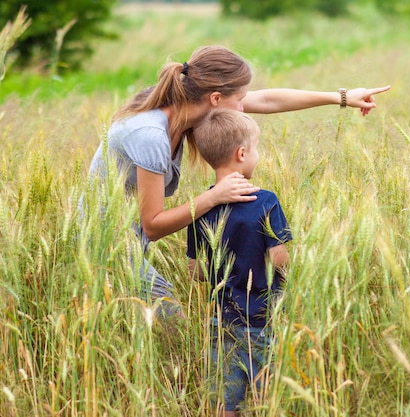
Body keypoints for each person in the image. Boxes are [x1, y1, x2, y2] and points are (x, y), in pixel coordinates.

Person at [85, 44, 389, 318]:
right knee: (172, 320)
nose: (244, 107)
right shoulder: (150, 135)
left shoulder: (189, 106)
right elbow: (152, 224)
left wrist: (343, 97)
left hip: (127, 241)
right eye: (240, 100)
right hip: (100, 245)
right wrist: (214, 196)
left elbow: (269, 99)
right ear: (215, 98)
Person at [187, 108, 290, 416]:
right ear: (242, 153)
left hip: (221, 323)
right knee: (263, 400)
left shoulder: (200, 207)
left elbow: (196, 272)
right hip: (263, 320)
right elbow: (278, 257)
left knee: (225, 402)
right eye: (256, 148)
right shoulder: (266, 200)